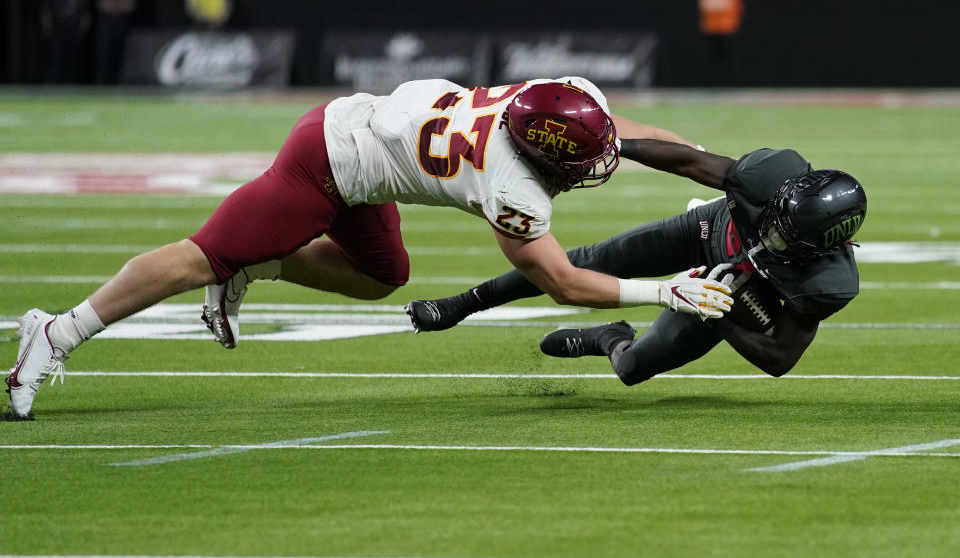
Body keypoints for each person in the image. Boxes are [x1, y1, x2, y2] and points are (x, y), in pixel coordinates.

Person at [5, 78, 734, 419]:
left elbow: (612, 128)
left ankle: (259, 260)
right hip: (326, 158)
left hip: (371, 154)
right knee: (202, 254)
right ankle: (56, 331)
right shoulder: (513, 187)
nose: (600, 162)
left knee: (383, 274)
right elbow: (565, 283)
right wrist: (665, 291)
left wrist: (713, 165)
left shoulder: (553, 99)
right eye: (585, 159)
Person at [407, 140, 867, 385]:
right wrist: (613, 146)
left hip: (730, 295)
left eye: (784, 242)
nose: (768, 239)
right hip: (710, 230)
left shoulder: (827, 284)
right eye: (772, 224)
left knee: (632, 371)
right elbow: (689, 162)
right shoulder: (768, 176)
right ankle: (462, 304)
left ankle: (611, 339)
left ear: (822, 249)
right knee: (587, 262)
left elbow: (781, 358)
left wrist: (721, 315)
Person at [41, 0, 91, 83]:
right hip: (57, 30)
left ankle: (71, 84)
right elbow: (46, 11)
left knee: (72, 60)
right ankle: (51, 84)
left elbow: (86, 13)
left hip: (73, 30)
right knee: (55, 59)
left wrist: (83, 29)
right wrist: (46, 26)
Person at [94, 0, 137, 84]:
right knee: (103, 56)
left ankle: (117, 83)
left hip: (121, 27)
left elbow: (130, 6)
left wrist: (113, 6)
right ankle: (101, 83)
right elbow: (102, 6)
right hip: (106, 28)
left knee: (119, 57)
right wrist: (119, 5)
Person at [697, 0, 744, 85]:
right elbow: (738, 11)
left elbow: (702, 10)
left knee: (713, 60)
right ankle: (725, 82)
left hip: (711, 31)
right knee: (723, 59)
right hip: (726, 31)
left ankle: (712, 81)